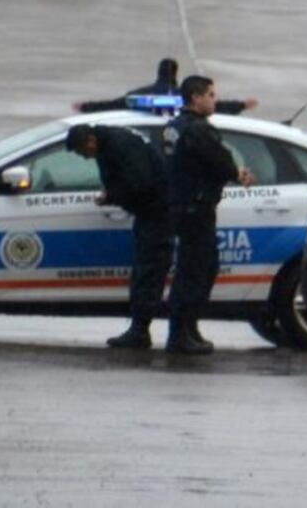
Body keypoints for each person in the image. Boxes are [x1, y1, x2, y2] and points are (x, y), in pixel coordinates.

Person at [163, 75, 255, 354]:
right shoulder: (199, 130)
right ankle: (181, 333)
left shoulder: (174, 126)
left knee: (196, 269)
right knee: (196, 271)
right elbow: (221, 161)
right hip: (196, 208)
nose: (215, 100)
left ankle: (188, 329)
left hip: (183, 206)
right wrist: (237, 173)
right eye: (211, 95)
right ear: (196, 97)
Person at [65, 123, 171, 349]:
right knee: (145, 270)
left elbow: (139, 182)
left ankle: (140, 330)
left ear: (90, 142)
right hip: (152, 212)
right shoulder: (111, 142)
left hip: (157, 213)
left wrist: (112, 195)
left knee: (148, 271)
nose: (85, 158)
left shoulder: (118, 146)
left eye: (83, 153)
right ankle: (140, 328)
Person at [74, 58, 258, 115]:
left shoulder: (139, 97)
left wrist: (85, 107)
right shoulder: (185, 97)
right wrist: (242, 105)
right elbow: (218, 106)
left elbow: (112, 105)